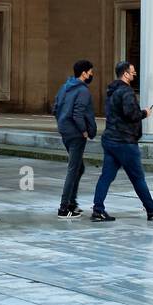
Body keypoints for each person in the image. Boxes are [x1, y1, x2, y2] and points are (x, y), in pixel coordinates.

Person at [92, 61, 153, 222]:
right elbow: (131, 115)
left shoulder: (112, 91)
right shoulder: (127, 92)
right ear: (125, 74)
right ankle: (152, 210)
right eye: (133, 72)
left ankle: (98, 210)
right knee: (137, 178)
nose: (134, 75)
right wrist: (144, 112)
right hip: (125, 142)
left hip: (110, 139)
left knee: (106, 177)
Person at [52, 59, 97, 218]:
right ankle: (64, 208)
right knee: (73, 169)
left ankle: (72, 203)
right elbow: (78, 114)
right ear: (84, 73)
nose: (92, 74)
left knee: (79, 167)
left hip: (66, 132)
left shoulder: (65, 87)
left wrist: (62, 125)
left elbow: (55, 108)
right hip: (76, 134)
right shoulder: (83, 91)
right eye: (90, 72)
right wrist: (84, 131)